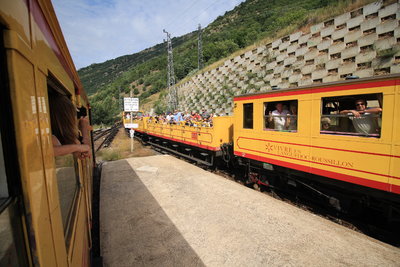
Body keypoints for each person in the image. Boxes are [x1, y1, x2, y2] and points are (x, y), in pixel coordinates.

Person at [49, 93, 91, 159]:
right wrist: (78, 147)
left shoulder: (64, 135)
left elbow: (84, 147)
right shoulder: (52, 138)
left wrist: (84, 133)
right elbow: (48, 151)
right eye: (73, 115)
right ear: (66, 118)